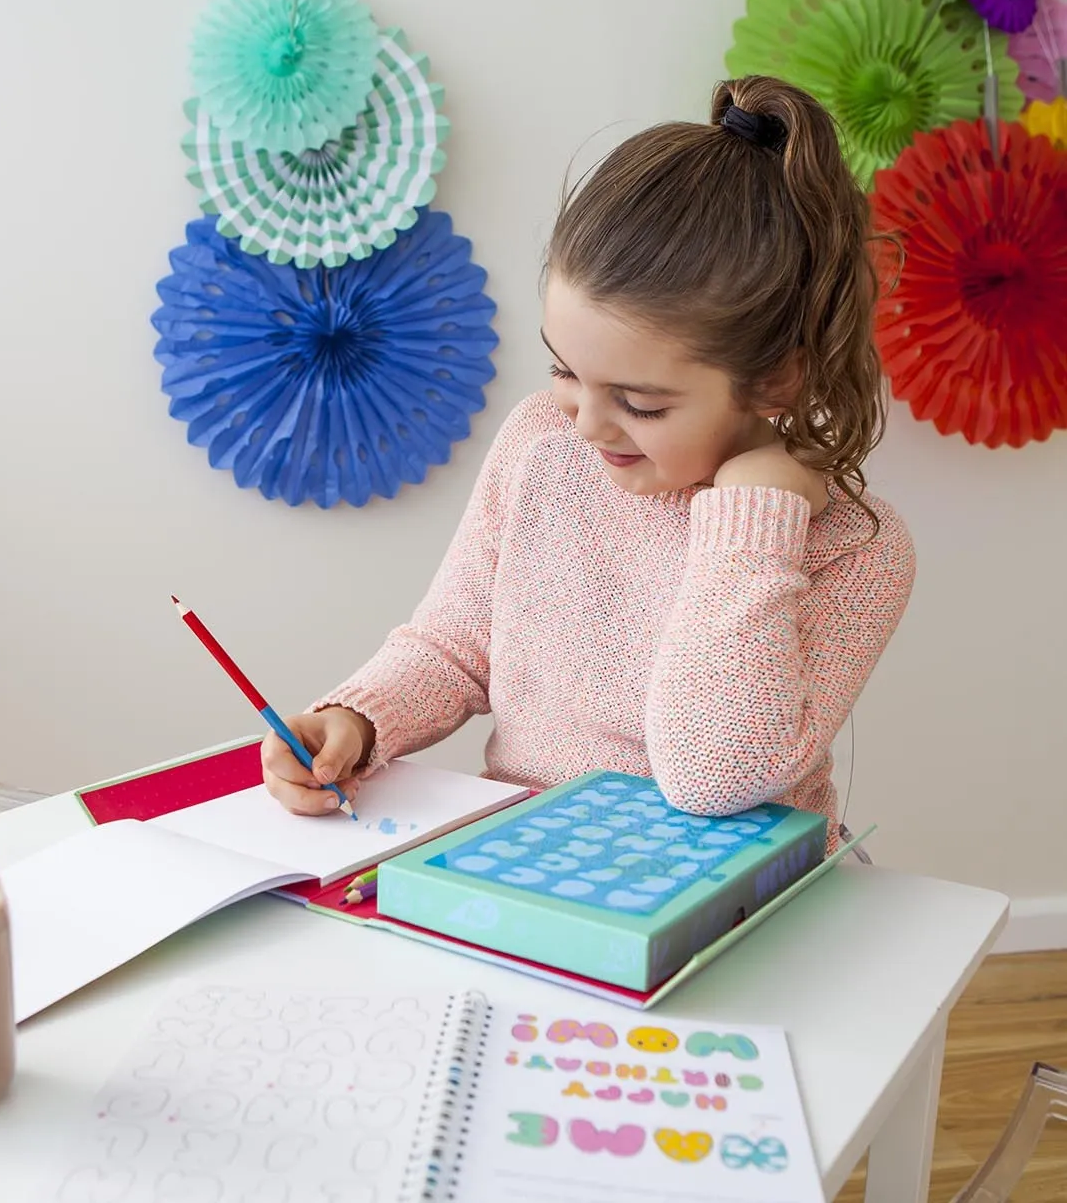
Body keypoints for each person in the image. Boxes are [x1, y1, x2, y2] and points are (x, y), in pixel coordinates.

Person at [261, 75, 915, 851]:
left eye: (640, 403)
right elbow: (455, 645)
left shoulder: (855, 548)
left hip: (738, 896)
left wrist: (751, 517)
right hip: (533, 865)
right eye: (566, 371)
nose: (587, 424)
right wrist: (359, 721)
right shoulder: (543, 444)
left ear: (777, 379)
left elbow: (718, 775)